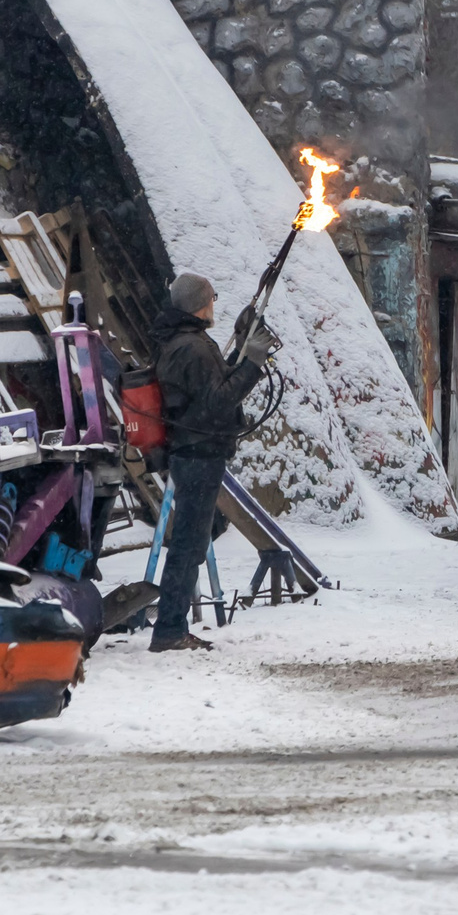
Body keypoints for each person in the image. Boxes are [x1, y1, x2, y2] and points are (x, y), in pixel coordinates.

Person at [146, 271, 276, 653]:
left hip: (191, 452)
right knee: (188, 545)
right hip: (199, 455)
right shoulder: (193, 348)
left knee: (192, 541)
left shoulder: (182, 342)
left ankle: (172, 626)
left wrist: (240, 350)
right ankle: (170, 630)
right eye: (212, 298)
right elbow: (219, 402)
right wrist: (252, 363)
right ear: (200, 304)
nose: (214, 304)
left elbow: (212, 387)